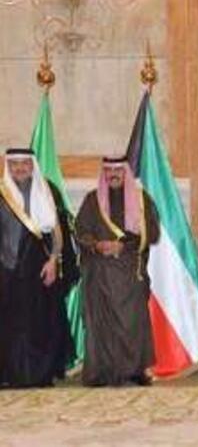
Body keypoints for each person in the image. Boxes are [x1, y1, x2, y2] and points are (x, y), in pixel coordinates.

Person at [75, 156, 160, 386]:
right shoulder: (92, 200)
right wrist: (96, 245)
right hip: (100, 274)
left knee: (131, 323)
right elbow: (79, 231)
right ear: (104, 173)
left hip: (130, 273)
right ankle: (101, 373)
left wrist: (123, 245)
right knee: (100, 325)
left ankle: (135, 371)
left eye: (118, 170)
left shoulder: (142, 200)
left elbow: (152, 233)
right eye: (109, 170)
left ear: (126, 173)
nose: (113, 174)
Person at [0, 148, 77, 388]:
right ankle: (10, 374)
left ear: (32, 165)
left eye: (24, 163)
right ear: (8, 166)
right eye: (14, 164)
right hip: (6, 268)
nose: (20, 168)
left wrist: (54, 260)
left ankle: (38, 374)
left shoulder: (48, 190)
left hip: (38, 267)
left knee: (39, 322)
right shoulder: (2, 192)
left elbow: (57, 231)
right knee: (10, 323)